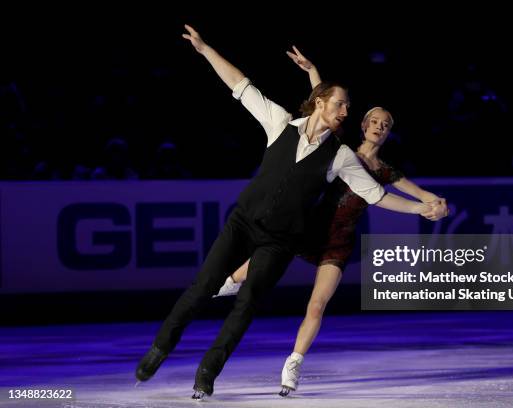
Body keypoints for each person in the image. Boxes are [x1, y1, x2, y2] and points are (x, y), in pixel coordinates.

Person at [135, 24, 434, 399]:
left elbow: (376, 195)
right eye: (340, 103)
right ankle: (159, 349)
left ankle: (208, 371)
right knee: (201, 288)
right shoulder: (279, 121)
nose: (345, 111)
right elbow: (241, 86)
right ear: (320, 101)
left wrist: (419, 209)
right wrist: (205, 48)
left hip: (280, 240)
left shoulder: (341, 156)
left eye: (348, 106)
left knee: (246, 305)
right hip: (242, 223)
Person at [214, 46, 449, 396]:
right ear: (364, 124)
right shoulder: (339, 151)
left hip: (338, 243)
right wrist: (312, 71)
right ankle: (222, 284)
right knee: (251, 268)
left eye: (385, 126)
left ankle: (293, 362)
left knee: (317, 304)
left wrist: (436, 205)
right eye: (374, 121)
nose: (379, 128)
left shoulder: (385, 171)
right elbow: (323, 101)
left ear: (387, 133)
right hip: (309, 227)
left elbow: (419, 195)